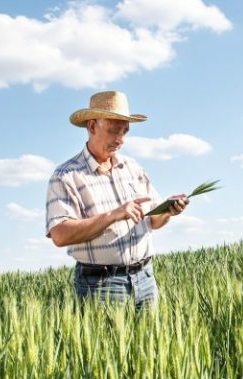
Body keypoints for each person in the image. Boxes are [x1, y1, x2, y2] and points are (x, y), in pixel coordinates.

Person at [45, 90, 188, 310]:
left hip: (145, 279)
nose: (120, 139)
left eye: (125, 131)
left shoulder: (133, 168)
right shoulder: (66, 176)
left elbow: (153, 221)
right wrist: (113, 215)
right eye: (113, 131)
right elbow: (60, 234)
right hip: (100, 287)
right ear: (92, 126)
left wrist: (168, 210)